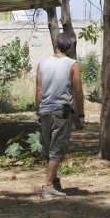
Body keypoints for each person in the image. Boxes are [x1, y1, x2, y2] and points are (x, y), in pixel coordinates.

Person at [36, 33, 85, 199]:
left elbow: (39, 90)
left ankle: (54, 180)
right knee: (57, 148)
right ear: (69, 48)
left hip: (45, 111)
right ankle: (48, 186)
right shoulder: (73, 64)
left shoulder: (41, 63)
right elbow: (77, 91)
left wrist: (38, 111)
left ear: (55, 45)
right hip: (61, 112)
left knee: (49, 148)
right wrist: (81, 114)